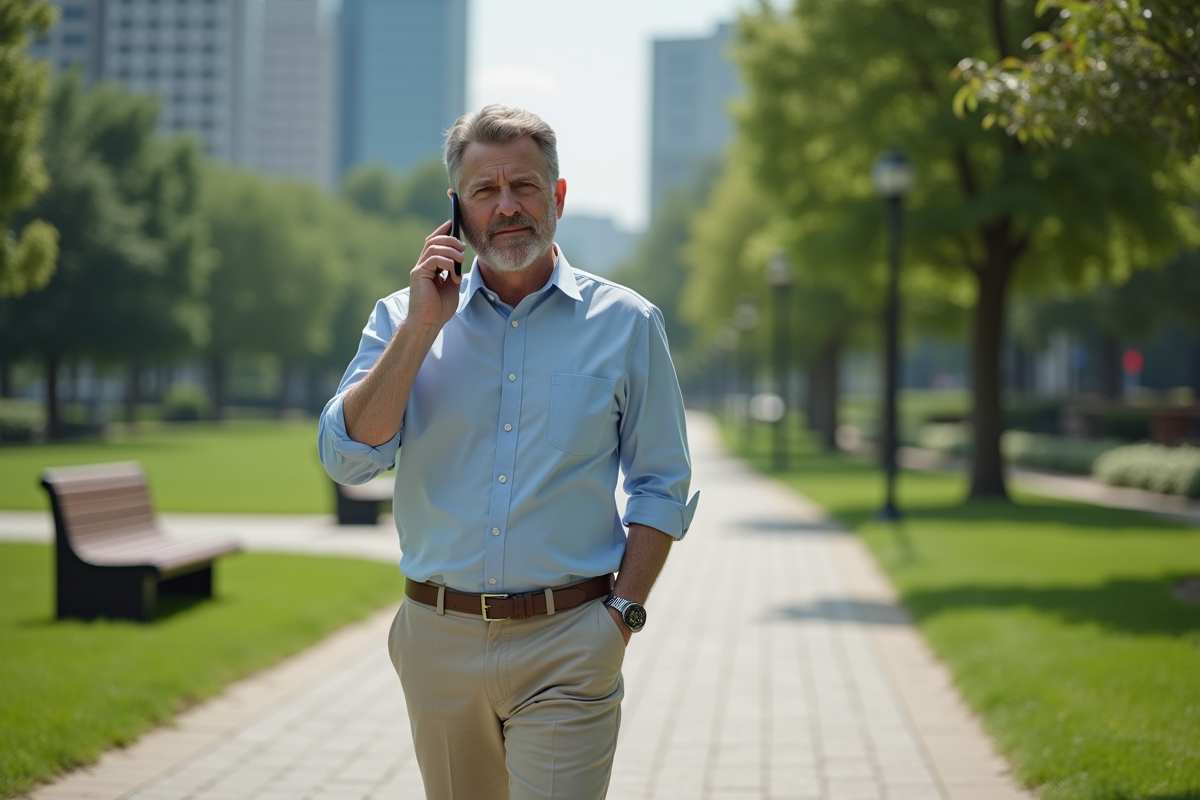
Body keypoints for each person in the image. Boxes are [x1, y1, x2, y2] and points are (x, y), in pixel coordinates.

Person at [318, 104, 698, 800]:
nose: (506, 207)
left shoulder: (627, 325)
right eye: (484, 191)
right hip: (437, 641)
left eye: (524, 186)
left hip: (571, 642)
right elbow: (350, 460)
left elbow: (661, 484)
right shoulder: (400, 319)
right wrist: (423, 329)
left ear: (556, 196)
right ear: (455, 209)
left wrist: (622, 617)